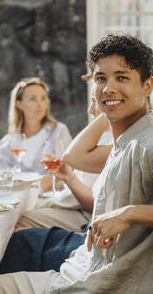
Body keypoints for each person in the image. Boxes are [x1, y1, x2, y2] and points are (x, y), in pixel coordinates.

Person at [0, 34, 153, 294]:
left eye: (122, 77)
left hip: (101, 286)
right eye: (101, 79)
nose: (108, 88)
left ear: (147, 86)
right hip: (79, 270)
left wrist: (129, 213)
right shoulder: (126, 142)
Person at [14, 83, 113, 232]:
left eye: (95, 101)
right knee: (13, 212)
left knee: (16, 220)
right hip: (70, 202)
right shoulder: (9, 140)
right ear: (18, 104)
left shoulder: (114, 143)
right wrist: (68, 176)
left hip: (85, 214)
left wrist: (68, 177)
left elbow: (96, 204)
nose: (90, 110)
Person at [0, 77, 72, 188]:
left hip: (52, 201)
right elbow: (1, 181)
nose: (39, 104)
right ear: (19, 104)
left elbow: (68, 174)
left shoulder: (59, 132)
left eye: (43, 98)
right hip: (17, 201)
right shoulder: (6, 143)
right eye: (33, 99)